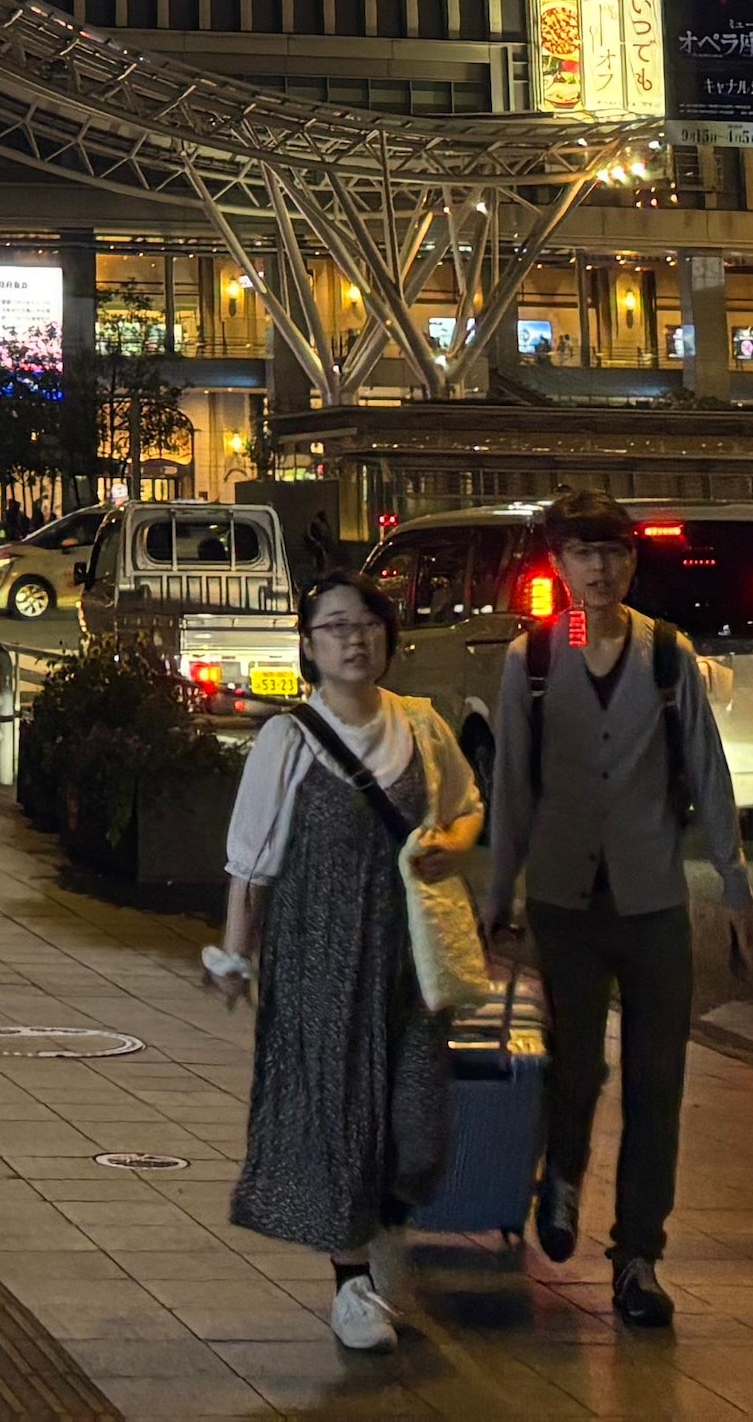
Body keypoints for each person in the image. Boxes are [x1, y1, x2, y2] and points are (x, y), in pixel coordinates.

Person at [480, 487, 753, 1329]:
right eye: (581, 554)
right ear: (558, 566)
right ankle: (560, 1176)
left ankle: (638, 1255)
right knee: (575, 1068)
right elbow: (514, 789)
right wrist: (500, 898)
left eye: (612, 554)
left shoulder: (666, 655)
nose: (598, 570)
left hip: (653, 901)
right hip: (564, 899)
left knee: (657, 1084)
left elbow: (708, 776)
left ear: (631, 563)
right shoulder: (534, 658)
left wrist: (736, 890)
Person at [206, 569, 479, 1354]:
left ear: (387, 637)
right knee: (340, 1114)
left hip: (413, 950)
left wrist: (452, 846)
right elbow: (249, 864)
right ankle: (350, 1282)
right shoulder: (287, 740)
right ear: (308, 647)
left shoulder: (423, 726)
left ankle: (382, 1224)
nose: (353, 639)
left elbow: (466, 809)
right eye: (334, 628)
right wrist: (235, 954)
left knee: (421, 1128)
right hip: (317, 950)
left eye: (365, 624)